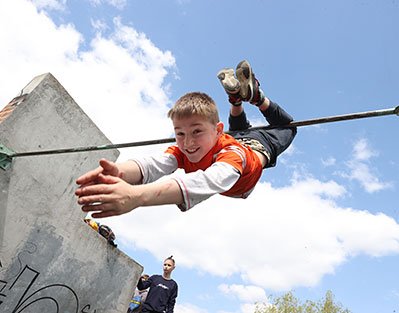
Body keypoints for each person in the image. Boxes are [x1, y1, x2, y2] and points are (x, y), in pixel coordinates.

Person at [75, 60, 296, 216]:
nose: (188, 143)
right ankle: (237, 99)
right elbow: (154, 164)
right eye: (180, 134)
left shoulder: (233, 156)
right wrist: (120, 172)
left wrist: (137, 195)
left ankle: (253, 98)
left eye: (196, 132)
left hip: (260, 144)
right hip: (235, 136)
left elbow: (207, 181)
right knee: (237, 130)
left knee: (288, 127)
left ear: (217, 132)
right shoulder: (187, 148)